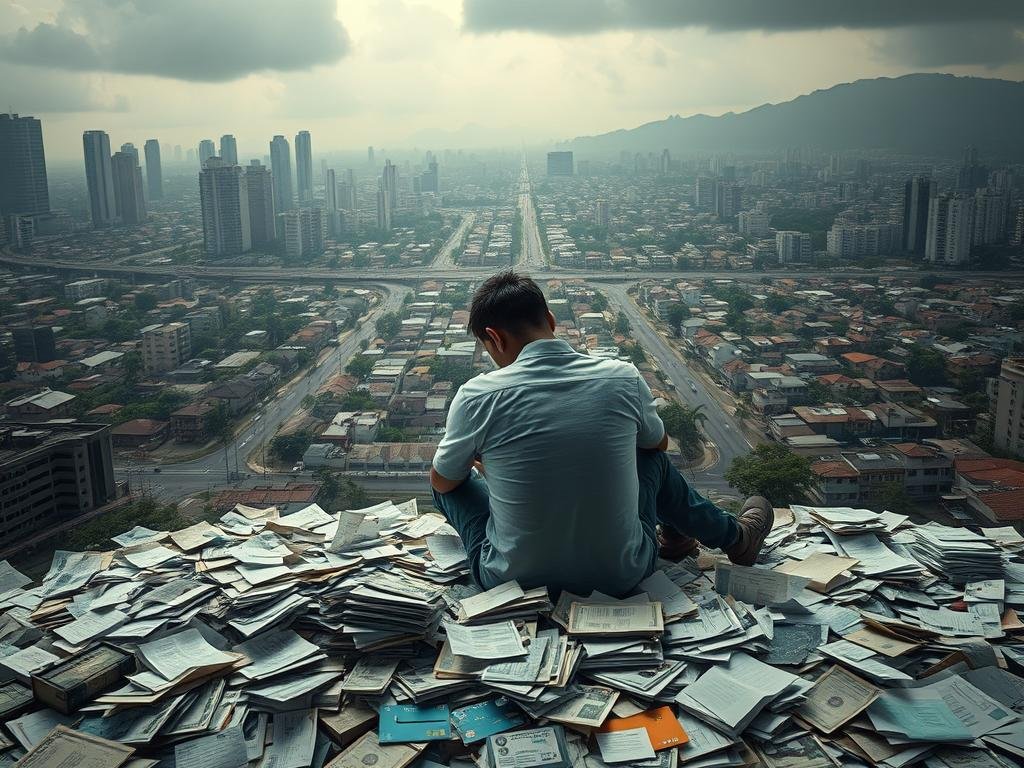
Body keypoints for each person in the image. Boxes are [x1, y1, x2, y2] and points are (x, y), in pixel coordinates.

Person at [430, 271, 773, 596]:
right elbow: (658, 445)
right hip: (623, 573)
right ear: (550, 320)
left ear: (493, 338)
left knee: (447, 482)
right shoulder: (621, 376)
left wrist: (489, 467)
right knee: (648, 456)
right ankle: (732, 538)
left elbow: (444, 483)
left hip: (511, 584)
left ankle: (684, 536)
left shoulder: (476, 396)